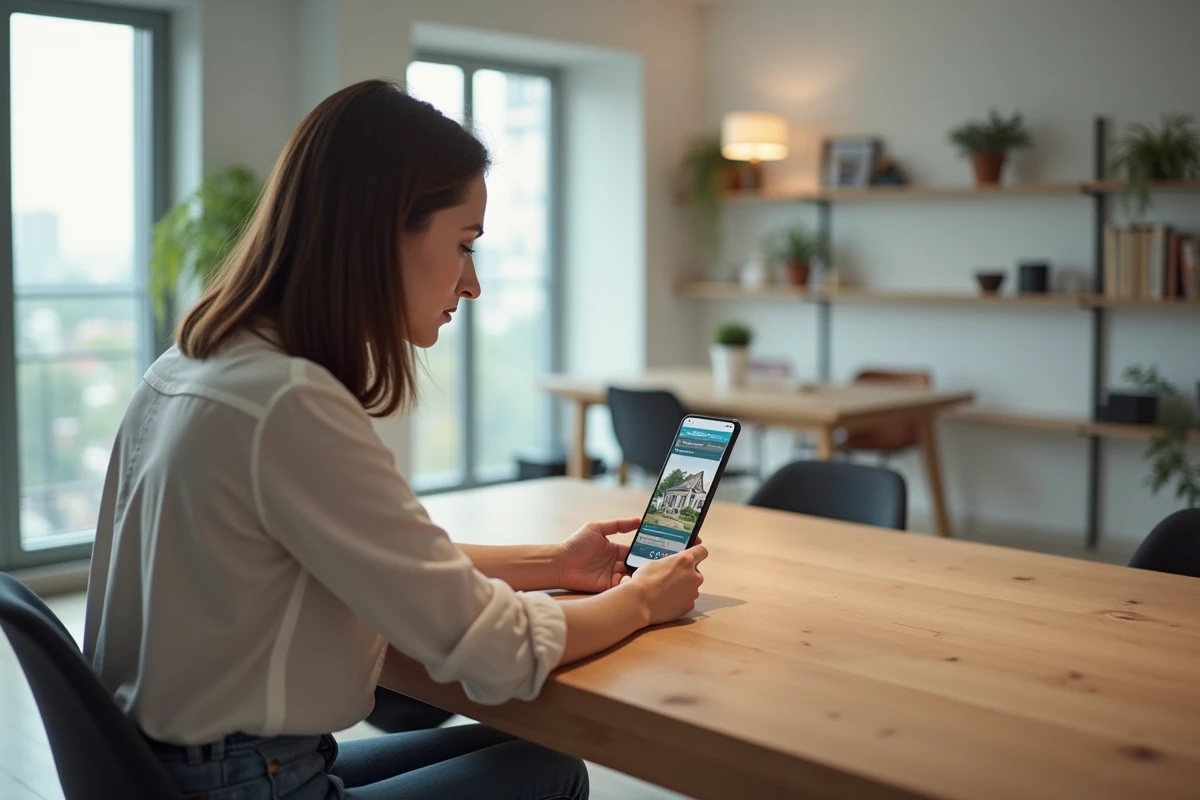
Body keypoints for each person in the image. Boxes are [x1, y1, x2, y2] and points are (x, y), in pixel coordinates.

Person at [81, 78, 707, 800]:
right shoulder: (288, 403)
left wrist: (555, 564)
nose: (472, 284)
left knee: (527, 750)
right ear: (384, 233)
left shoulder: (195, 363)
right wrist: (642, 601)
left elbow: (388, 566)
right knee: (550, 774)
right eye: (464, 245)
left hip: (171, 768)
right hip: (246, 782)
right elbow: (498, 652)